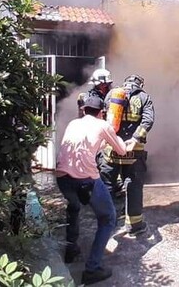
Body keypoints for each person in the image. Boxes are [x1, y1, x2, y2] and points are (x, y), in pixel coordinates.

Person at [55, 95, 136, 285]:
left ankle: (71, 249)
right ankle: (92, 269)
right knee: (108, 218)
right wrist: (130, 142)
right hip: (86, 180)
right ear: (101, 113)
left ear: (84, 110)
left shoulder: (73, 123)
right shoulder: (103, 125)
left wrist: (103, 142)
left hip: (62, 178)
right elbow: (122, 150)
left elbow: (91, 145)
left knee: (73, 209)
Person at [100, 74, 155, 236]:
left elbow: (104, 117)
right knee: (134, 186)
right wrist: (135, 138)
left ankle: (107, 223)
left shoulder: (112, 95)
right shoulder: (144, 97)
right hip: (134, 151)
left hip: (111, 149)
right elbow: (148, 121)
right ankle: (134, 225)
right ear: (140, 84)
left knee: (107, 185)